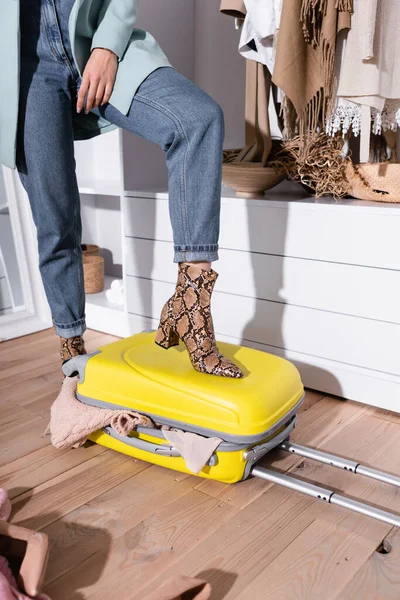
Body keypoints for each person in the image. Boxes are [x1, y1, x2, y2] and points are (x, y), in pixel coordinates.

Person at [0, 0, 243, 378]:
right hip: (23, 71)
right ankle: (71, 348)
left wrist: (108, 46)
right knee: (55, 219)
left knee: (197, 119)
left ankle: (191, 307)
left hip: (94, 38)